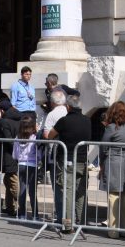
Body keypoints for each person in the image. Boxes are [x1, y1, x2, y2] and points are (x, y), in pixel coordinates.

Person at [47, 94, 92, 231]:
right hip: (82, 160)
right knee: (81, 193)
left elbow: (50, 135)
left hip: (67, 160)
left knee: (67, 192)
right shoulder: (87, 120)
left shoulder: (64, 121)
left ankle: (67, 224)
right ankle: (81, 223)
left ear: (68, 106)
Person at [101, 101, 125, 238]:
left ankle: (113, 230)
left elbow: (103, 146)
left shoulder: (111, 127)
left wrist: (102, 163)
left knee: (113, 195)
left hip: (114, 160)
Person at [0, 98, 22, 216]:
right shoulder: (20, 118)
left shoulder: (4, 121)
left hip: (9, 155)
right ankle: (10, 207)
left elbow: (8, 139)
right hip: (18, 154)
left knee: (12, 180)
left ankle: (21, 206)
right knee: (8, 180)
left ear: (2, 110)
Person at [14, 115, 39, 220]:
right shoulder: (34, 138)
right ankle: (35, 215)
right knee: (32, 191)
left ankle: (22, 214)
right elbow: (39, 154)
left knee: (22, 190)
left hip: (21, 164)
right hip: (32, 165)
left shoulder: (17, 137)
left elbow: (14, 154)